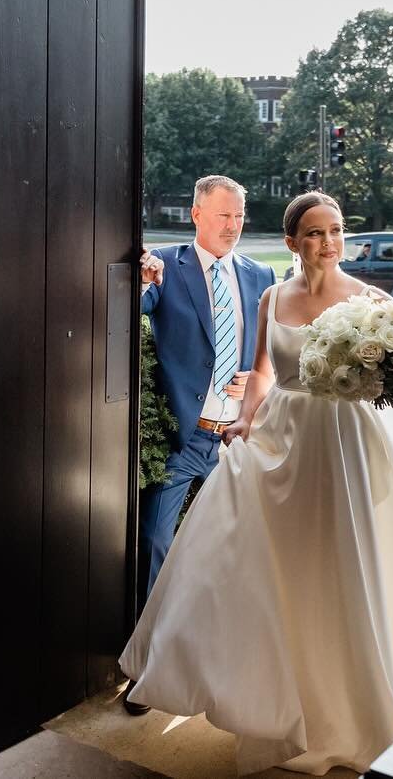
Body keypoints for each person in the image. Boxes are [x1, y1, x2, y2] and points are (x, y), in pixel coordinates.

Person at [121, 191, 393, 775]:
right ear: (291, 242)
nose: (326, 242)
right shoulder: (270, 296)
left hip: (346, 445)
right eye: (313, 233)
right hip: (283, 441)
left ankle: (354, 706)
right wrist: (242, 419)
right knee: (282, 572)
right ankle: (287, 705)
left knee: (342, 565)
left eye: (334, 230)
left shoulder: (370, 299)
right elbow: (261, 372)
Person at [133, 176, 275, 651]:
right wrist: (140, 282)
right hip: (182, 437)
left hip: (235, 439)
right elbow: (131, 313)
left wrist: (255, 385)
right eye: (223, 215)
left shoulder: (260, 276)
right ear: (197, 215)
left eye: (238, 215)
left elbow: (267, 353)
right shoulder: (166, 266)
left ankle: (214, 652)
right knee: (155, 543)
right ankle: (149, 660)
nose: (233, 225)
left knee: (233, 550)